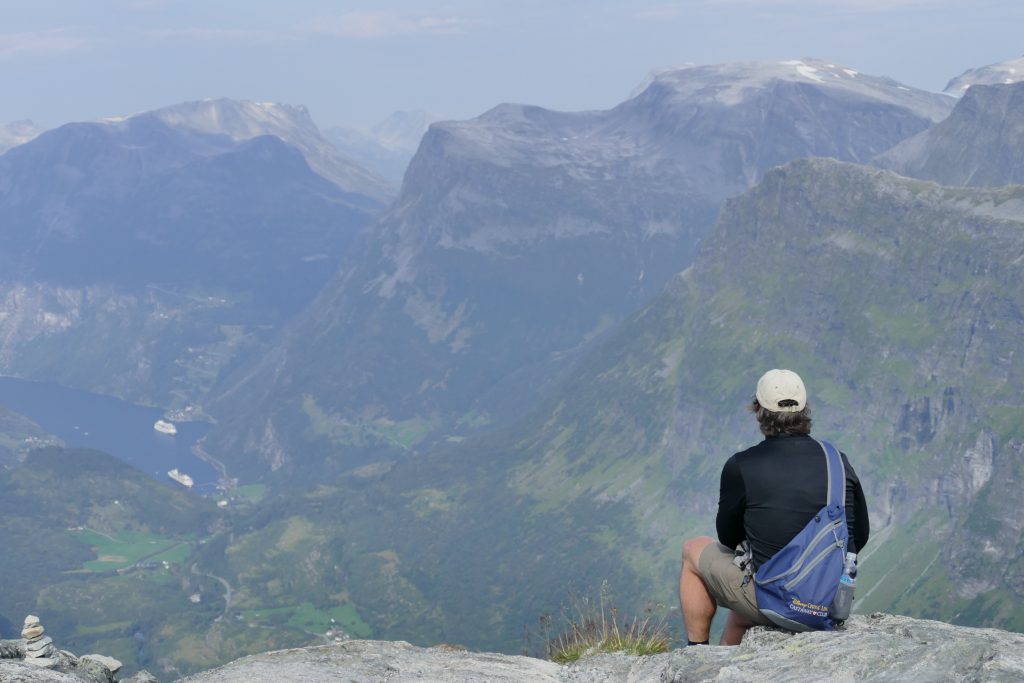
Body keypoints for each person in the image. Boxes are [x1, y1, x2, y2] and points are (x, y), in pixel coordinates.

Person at [678, 369, 870, 645]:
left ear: (759, 410)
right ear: (804, 408)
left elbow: (728, 537)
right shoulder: (837, 461)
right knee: (741, 614)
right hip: (830, 603)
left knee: (693, 549)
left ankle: (696, 656)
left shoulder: (742, 465)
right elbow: (858, 536)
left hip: (779, 602)